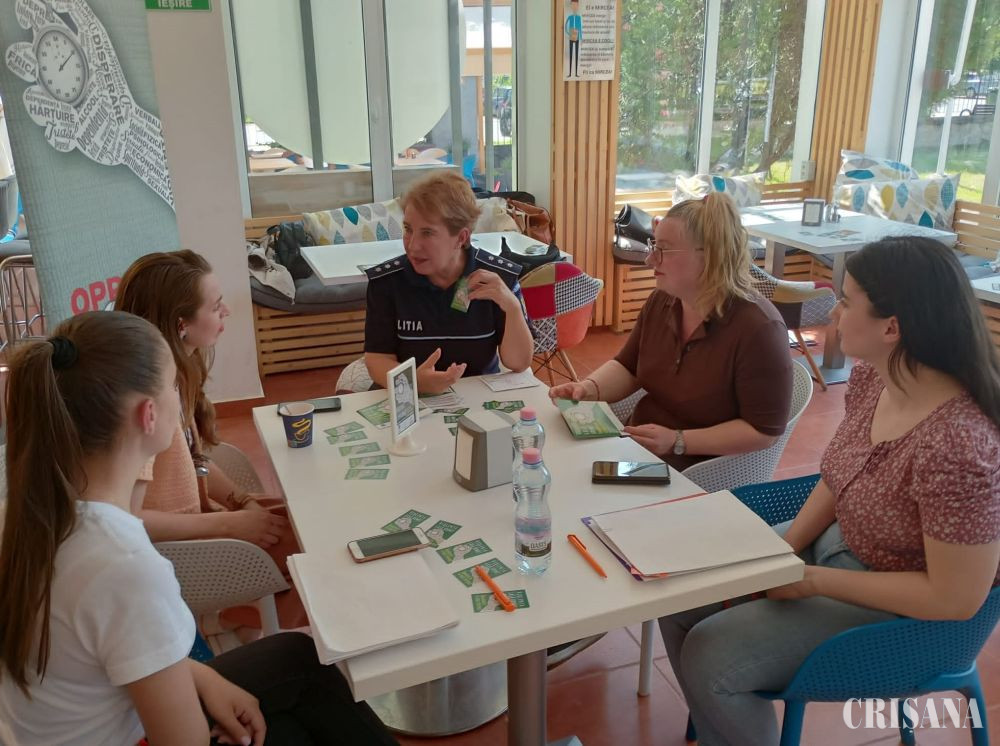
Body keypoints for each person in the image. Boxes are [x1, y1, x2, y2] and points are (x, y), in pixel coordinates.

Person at [660, 237, 1000, 745]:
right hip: (839, 551)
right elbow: (837, 478)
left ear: (892, 327)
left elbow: (954, 598)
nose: (835, 313)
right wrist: (788, 546)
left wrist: (812, 581)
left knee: (713, 656)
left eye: (845, 301)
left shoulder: (957, 444)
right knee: (678, 595)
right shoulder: (875, 381)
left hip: (908, 613)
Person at [0, 312, 397, 745]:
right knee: (295, 722)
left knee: (296, 659)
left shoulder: (28, 512)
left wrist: (203, 678)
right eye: (173, 385)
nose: (180, 395)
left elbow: (96, 655)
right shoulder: (123, 563)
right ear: (149, 415)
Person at [115, 249, 304, 629]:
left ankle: (244, 619)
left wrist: (243, 502)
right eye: (216, 307)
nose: (226, 312)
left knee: (302, 522)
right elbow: (126, 519)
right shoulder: (147, 401)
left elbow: (193, 459)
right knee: (307, 548)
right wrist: (231, 525)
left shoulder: (178, 372)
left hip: (199, 526)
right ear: (181, 324)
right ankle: (238, 621)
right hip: (175, 552)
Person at [550, 192, 793, 469]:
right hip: (638, 452)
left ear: (710, 256)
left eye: (663, 249)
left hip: (700, 469)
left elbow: (763, 432)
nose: (650, 260)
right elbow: (628, 367)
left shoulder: (759, 329)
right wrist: (588, 389)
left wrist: (678, 441)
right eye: (653, 246)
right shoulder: (663, 300)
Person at [364, 170, 534, 395]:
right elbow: (377, 359)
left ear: (461, 238)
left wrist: (512, 307)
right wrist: (412, 382)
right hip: (409, 397)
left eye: (427, 233)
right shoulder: (387, 282)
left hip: (476, 399)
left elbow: (519, 363)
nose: (412, 245)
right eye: (408, 229)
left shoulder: (497, 278)